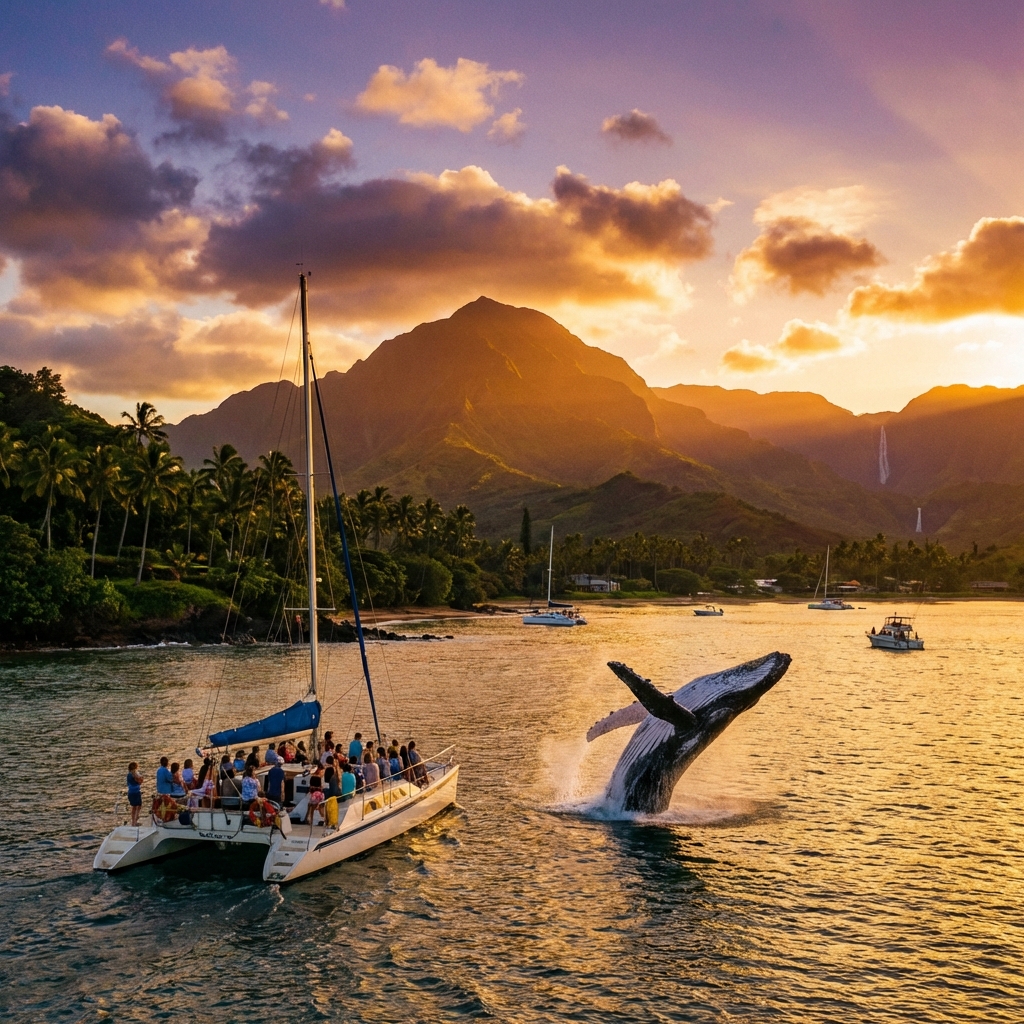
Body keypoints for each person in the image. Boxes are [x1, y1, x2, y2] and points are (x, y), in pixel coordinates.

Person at [126, 762, 143, 826]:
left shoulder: (128, 774)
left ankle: (134, 821)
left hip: (130, 792)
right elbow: (140, 781)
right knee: (138, 806)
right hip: (135, 792)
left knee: (135, 807)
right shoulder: (134, 774)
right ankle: (135, 821)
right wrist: (141, 778)